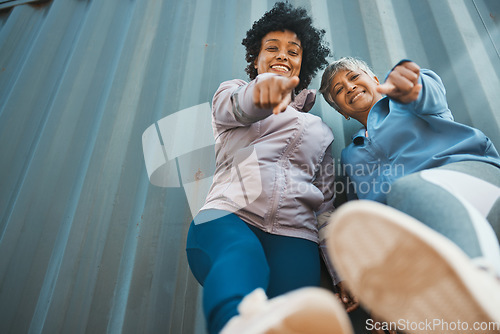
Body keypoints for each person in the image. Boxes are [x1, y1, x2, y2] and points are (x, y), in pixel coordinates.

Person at [185, 3, 354, 334]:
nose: (283, 56)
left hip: (296, 237)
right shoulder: (233, 93)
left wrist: (342, 273)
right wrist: (265, 90)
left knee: (292, 313)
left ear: (303, 62)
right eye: (272, 48)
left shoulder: (321, 130)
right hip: (227, 218)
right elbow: (239, 106)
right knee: (241, 256)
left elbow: (325, 210)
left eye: (293, 51)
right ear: (256, 58)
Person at [319, 57, 500, 331]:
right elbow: (372, 222)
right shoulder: (350, 155)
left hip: (472, 185)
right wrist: (382, 296)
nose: (349, 87)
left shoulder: (403, 101)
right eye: (339, 90)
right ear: (342, 112)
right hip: (423, 230)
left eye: (354, 77)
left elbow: (429, 91)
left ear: (376, 82)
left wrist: (412, 85)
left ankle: (481, 291)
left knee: (406, 190)